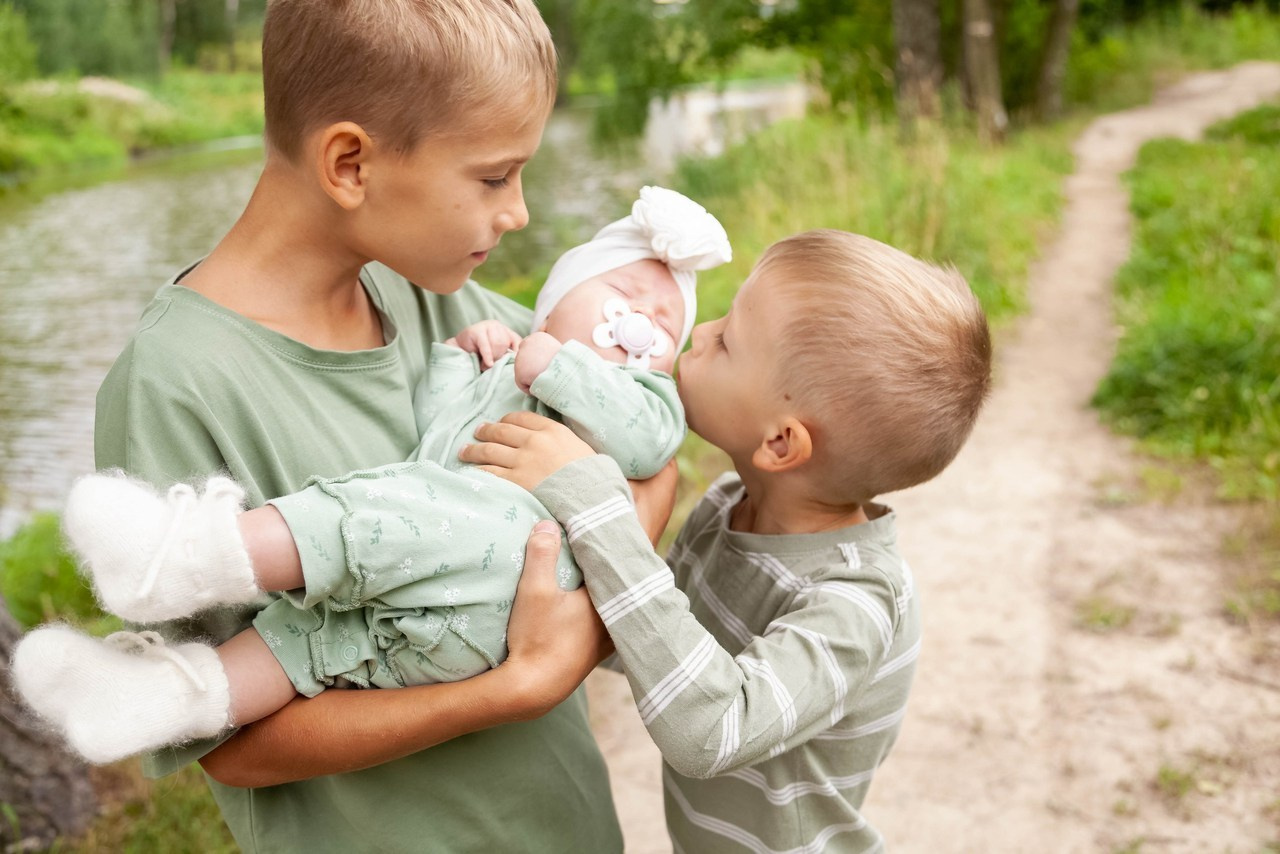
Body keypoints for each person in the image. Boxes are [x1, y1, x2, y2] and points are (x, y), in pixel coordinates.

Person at [7, 1, 674, 851]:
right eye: (495, 177)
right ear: (351, 163)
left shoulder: (443, 300)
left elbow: (654, 449)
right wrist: (518, 684)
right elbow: (235, 746)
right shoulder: (175, 386)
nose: (519, 215)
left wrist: (588, 588)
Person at [13, 187, 732, 766]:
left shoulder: (632, 392)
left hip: (502, 561)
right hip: (430, 601)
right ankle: (182, 694)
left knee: (364, 515)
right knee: (314, 634)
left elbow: (652, 449)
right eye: (620, 299)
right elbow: (435, 423)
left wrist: (558, 365)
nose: (640, 324)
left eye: (664, 326)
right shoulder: (500, 349)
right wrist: (464, 357)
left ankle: (198, 555)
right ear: (553, 299)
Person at [459, 230, 993, 852]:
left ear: (780, 443)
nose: (702, 330)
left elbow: (709, 731)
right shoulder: (726, 508)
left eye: (729, 340)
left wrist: (596, 505)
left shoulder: (857, 602)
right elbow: (644, 642)